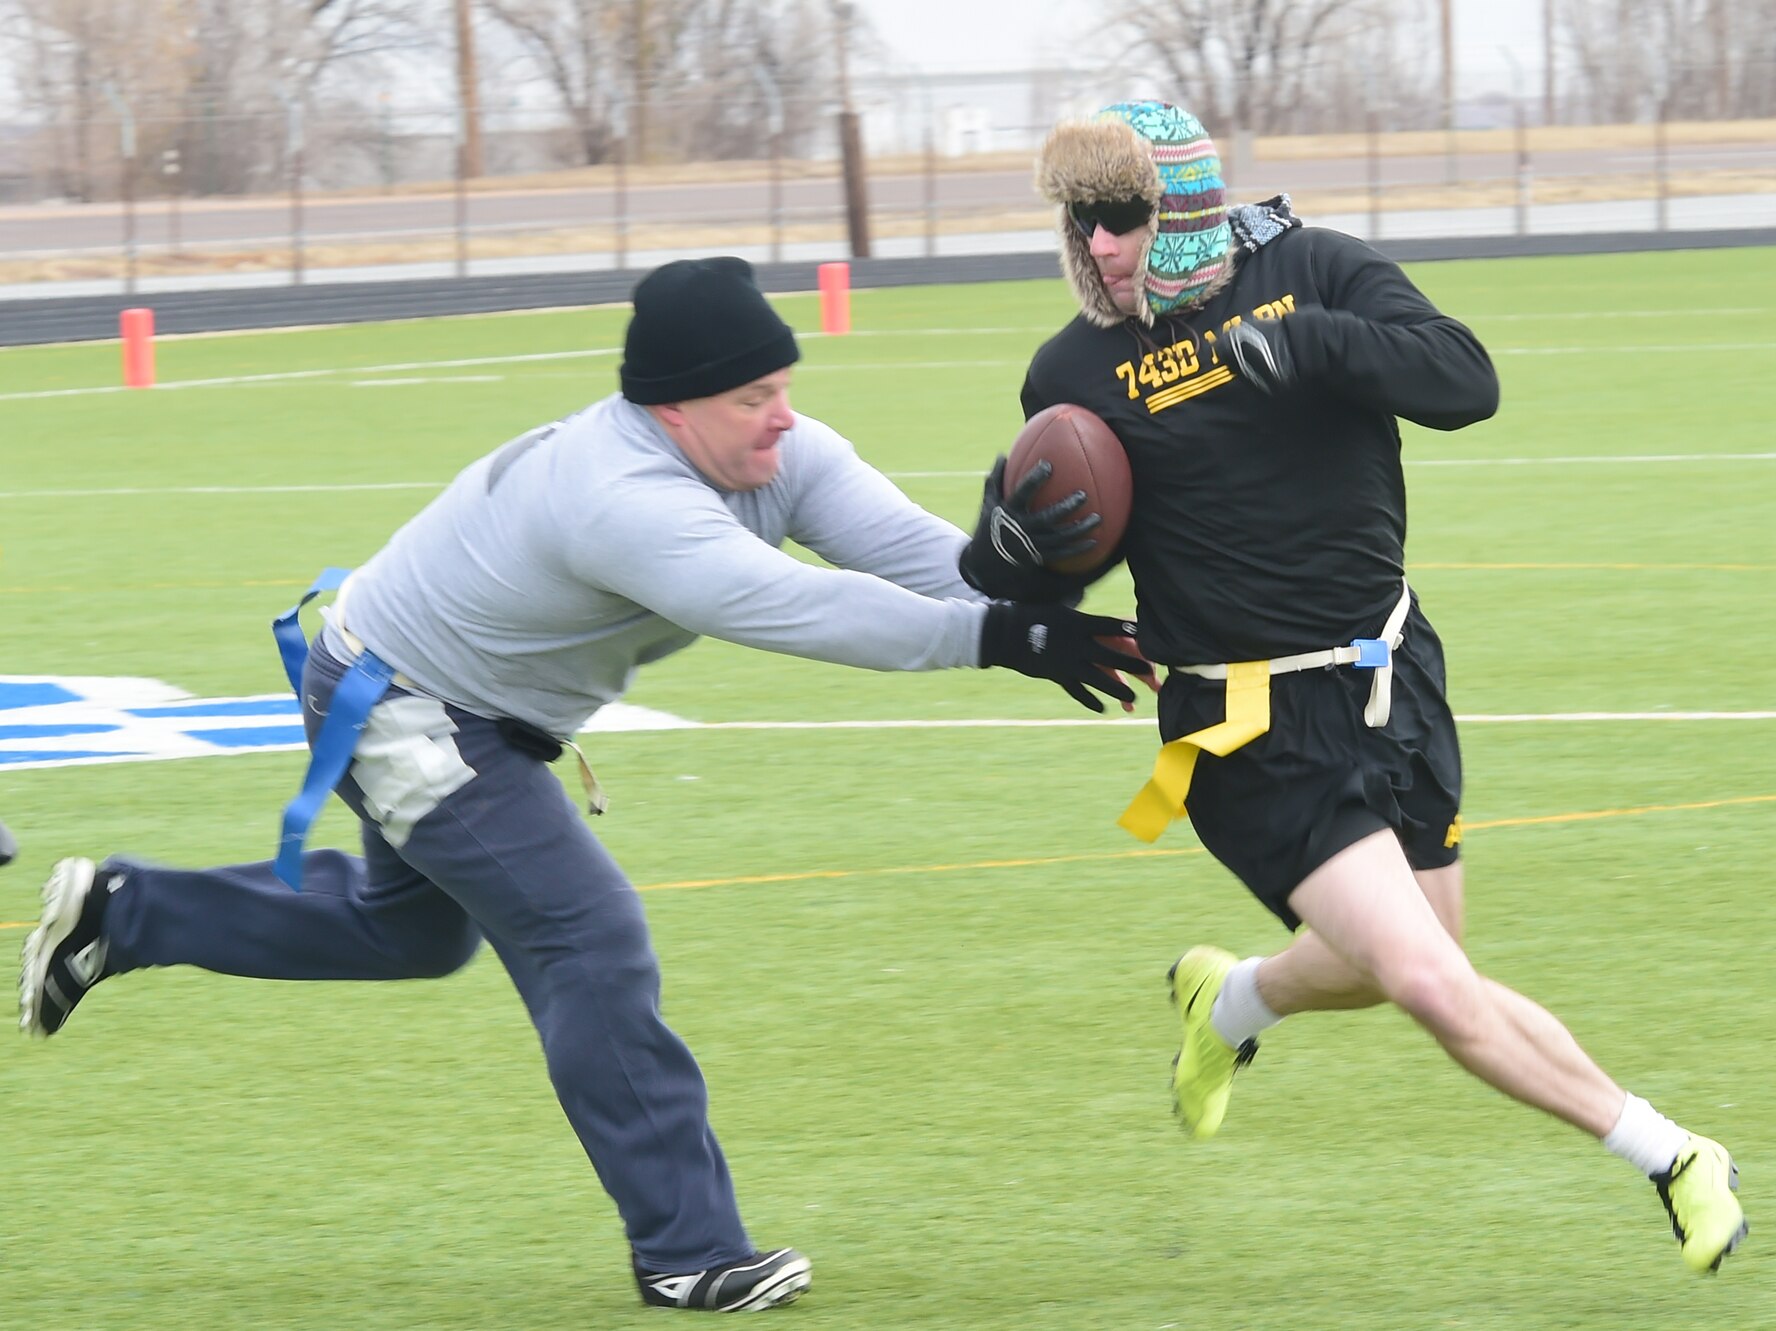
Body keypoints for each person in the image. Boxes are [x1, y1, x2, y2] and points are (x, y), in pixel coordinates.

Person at [16, 256, 1146, 1314]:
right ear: (675, 405)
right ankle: (688, 1248)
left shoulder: (772, 449)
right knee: (586, 935)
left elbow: (915, 558)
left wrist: (1014, 579)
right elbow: (798, 608)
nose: (784, 413)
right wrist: (1004, 639)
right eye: (755, 392)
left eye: (784, 384)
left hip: (448, 698)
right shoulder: (620, 498)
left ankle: (129, 911)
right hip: (403, 705)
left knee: (412, 935)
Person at [966, 100, 1748, 1276]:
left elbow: (1464, 380)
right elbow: (1036, 545)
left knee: (1407, 956)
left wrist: (1321, 343)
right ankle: (1672, 1152)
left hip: (1389, 676)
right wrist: (1008, 560)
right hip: (1243, 728)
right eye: (1082, 221)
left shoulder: (1308, 269)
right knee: (1434, 984)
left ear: (1175, 203)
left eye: (1121, 216)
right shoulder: (1070, 374)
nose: (1100, 246)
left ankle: (1230, 1004)